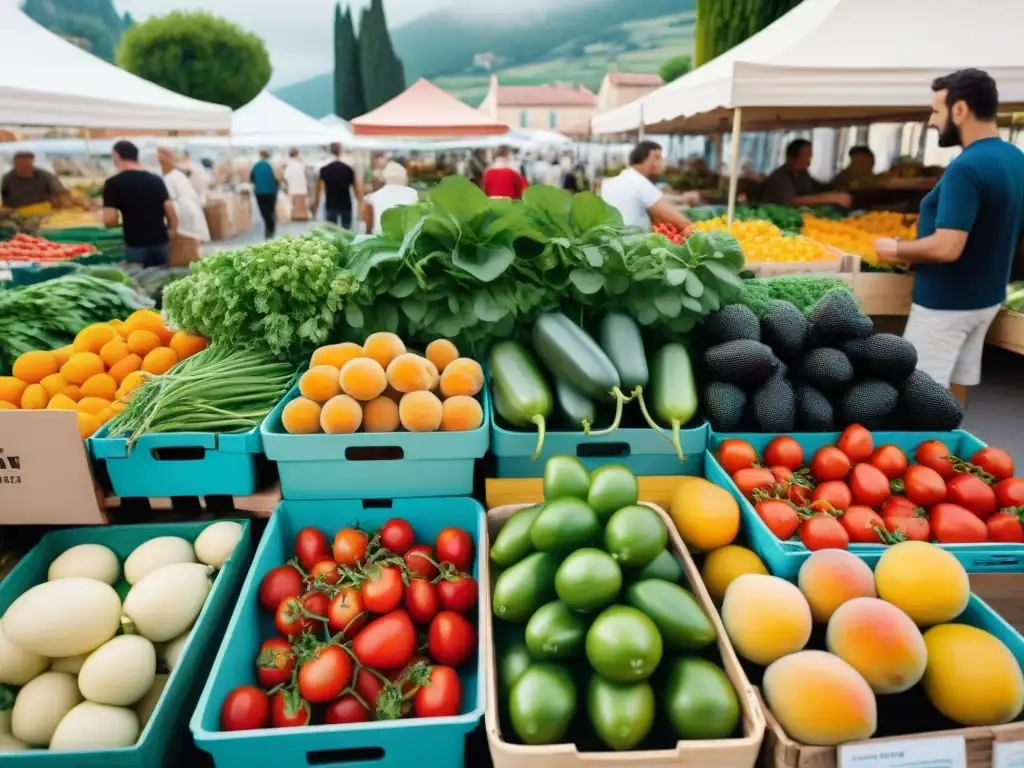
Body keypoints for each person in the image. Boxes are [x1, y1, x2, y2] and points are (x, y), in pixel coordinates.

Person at [874, 68, 1024, 403]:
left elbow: (947, 246)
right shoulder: (1015, 158)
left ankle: (928, 456)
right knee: (956, 389)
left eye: (936, 111)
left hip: (945, 303)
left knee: (917, 399)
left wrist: (895, 249)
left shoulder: (966, 168)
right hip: (985, 298)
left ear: (960, 110)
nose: (931, 121)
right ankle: (956, 453)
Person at [102, 141, 177, 267]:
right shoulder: (156, 180)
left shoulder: (113, 183)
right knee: (161, 281)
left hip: (136, 244)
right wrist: (172, 231)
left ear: (116, 156)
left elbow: (110, 220)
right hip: (161, 242)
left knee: (139, 282)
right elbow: (170, 209)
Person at [599, 140, 693, 231]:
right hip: (632, 242)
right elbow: (682, 222)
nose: (660, 162)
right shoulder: (639, 182)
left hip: (612, 239)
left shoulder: (623, 178)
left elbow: (655, 199)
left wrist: (681, 199)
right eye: (657, 157)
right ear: (642, 159)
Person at [761, 139, 853, 207]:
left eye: (810, 156)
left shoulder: (803, 174)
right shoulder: (780, 177)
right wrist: (827, 198)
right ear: (791, 158)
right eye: (805, 156)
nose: (809, 161)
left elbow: (818, 187)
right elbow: (790, 201)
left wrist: (839, 184)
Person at [156, 147, 210, 243]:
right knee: (191, 243)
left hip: (183, 211)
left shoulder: (171, 177)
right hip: (190, 209)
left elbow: (170, 200)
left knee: (185, 241)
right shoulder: (176, 175)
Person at [313, 143, 364, 229]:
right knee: (346, 232)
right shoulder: (348, 169)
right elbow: (356, 189)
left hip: (330, 205)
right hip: (346, 205)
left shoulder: (324, 170)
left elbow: (317, 189)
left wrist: (316, 206)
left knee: (331, 233)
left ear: (330, 151)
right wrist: (360, 204)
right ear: (340, 151)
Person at [362, 161, 419, 235]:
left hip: (379, 239)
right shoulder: (412, 194)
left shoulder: (372, 197)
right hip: (404, 239)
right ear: (404, 177)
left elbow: (368, 227)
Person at [0, 151, 65, 210]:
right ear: (15, 164)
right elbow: (5, 198)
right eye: (21, 165)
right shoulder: (8, 178)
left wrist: (57, 200)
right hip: (17, 212)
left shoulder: (46, 176)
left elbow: (62, 193)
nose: (24, 169)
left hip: (44, 210)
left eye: (27, 166)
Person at [251, 150, 280, 239]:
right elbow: (278, 178)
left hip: (259, 192)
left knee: (264, 211)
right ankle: (271, 227)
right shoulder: (273, 165)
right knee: (271, 210)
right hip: (271, 191)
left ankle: (269, 227)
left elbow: (252, 179)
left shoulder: (256, 166)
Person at [283, 148, 309, 218]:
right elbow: (306, 175)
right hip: (302, 187)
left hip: (292, 188)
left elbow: (285, 177)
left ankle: (294, 216)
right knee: (302, 204)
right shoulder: (301, 164)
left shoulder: (288, 165)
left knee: (293, 204)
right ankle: (303, 216)